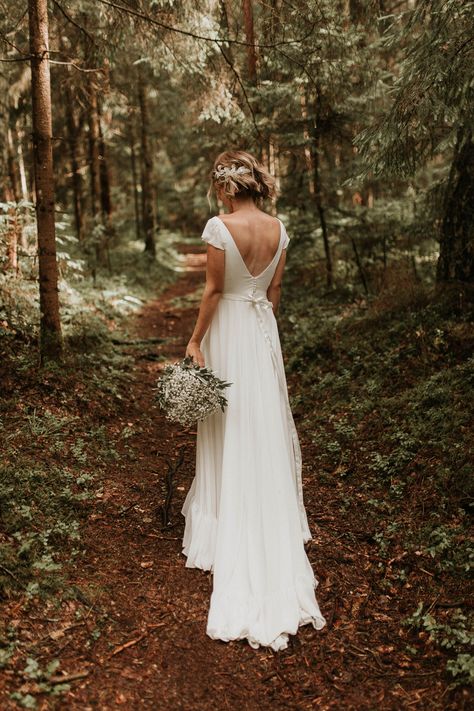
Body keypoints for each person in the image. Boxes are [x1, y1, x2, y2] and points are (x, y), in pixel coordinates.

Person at [182, 150, 326, 651]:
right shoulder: (279, 229)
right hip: (263, 334)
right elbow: (274, 291)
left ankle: (226, 526)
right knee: (260, 424)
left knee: (228, 421)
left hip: (229, 332)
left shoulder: (220, 227)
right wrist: (263, 330)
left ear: (226, 188)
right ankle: (265, 513)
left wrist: (196, 341)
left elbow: (215, 291)